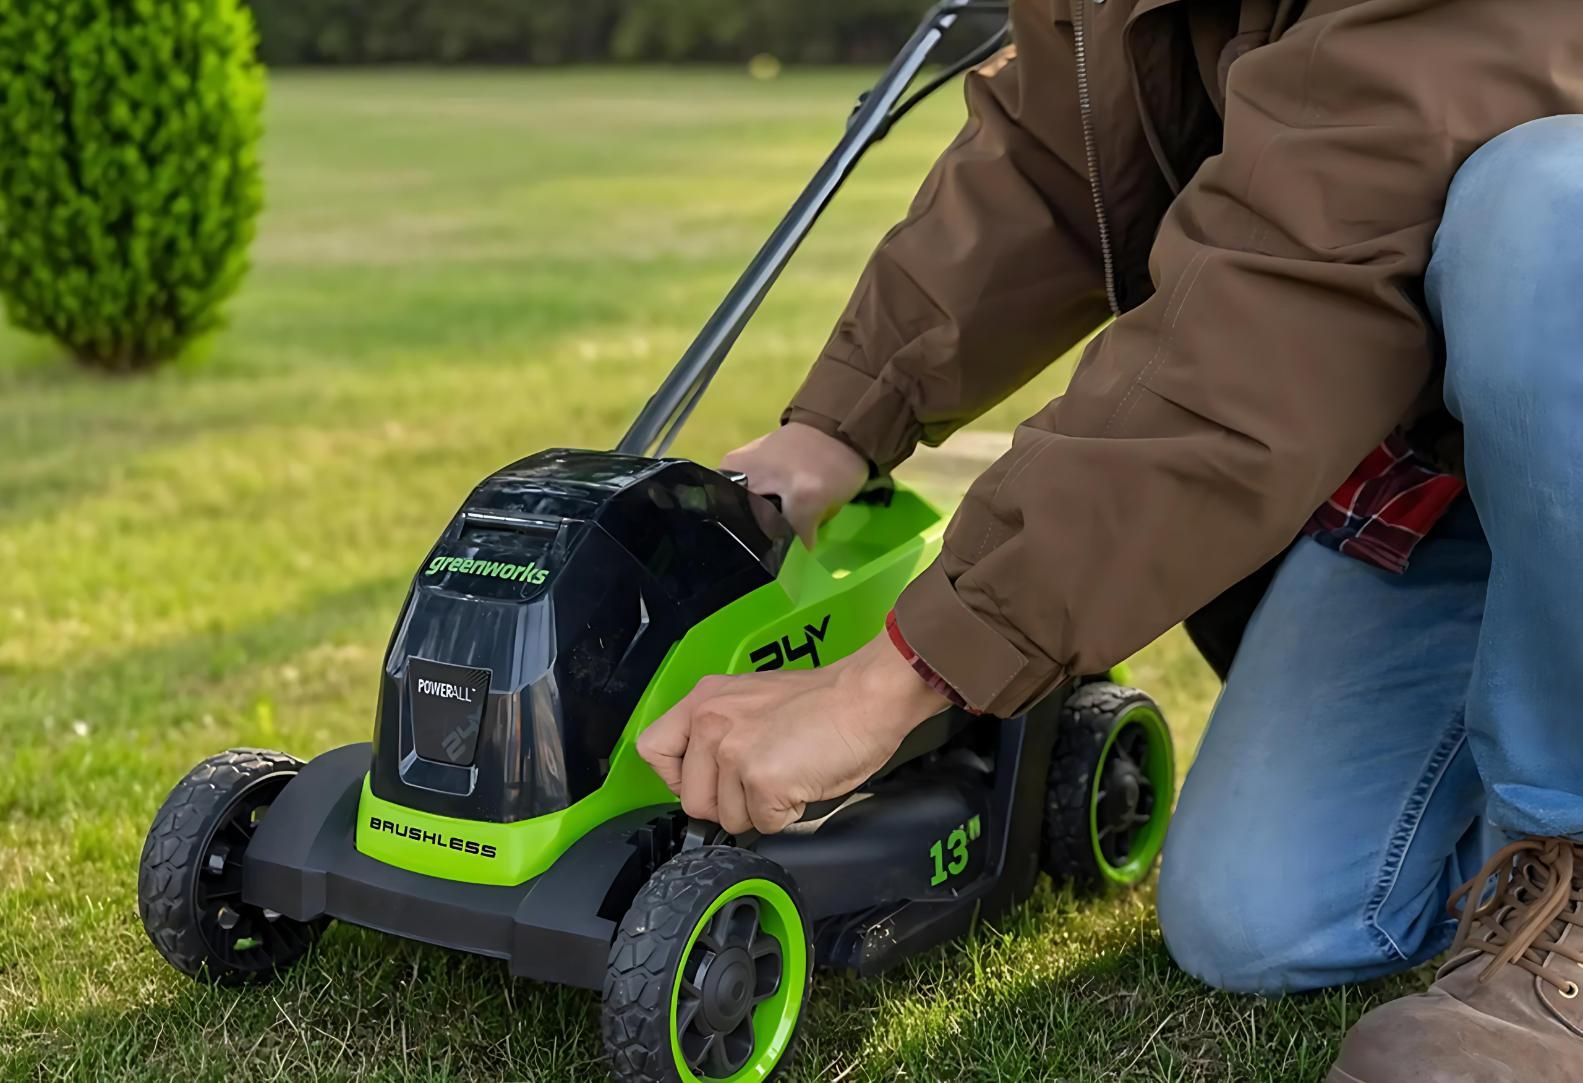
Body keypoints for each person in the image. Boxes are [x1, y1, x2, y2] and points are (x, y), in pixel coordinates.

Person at [635, 1, 1583, 1078]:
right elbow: (1053, 163)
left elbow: (1278, 304)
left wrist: (891, 680)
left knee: (1550, 209)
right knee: (1259, 919)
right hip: (1452, 478)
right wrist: (837, 427)